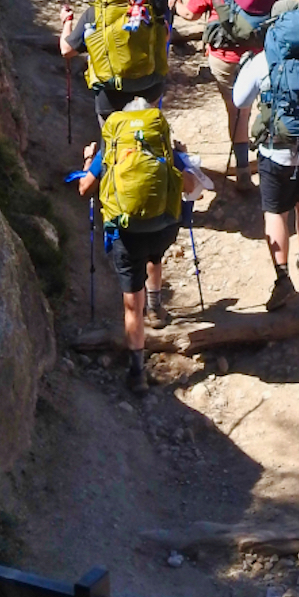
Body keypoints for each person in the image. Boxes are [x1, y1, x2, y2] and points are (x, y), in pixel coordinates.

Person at [76, 100, 201, 393]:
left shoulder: (113, 147)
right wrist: (180, 158)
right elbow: (192, 186)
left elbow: (84, 189)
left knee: (132, 302)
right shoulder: (162, 144)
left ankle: (137, 372)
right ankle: (156, 309)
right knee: (154, 256)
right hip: (163, 228)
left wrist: (88, 161)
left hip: (127, 232)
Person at [233, 7, 299, 311]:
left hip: (275, 149)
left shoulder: (264, 60)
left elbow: (239, 100)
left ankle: (283, 280)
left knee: (276, 214)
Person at [171, 0, 286, 192]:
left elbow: (190, 14)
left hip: (224, 56)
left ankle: (243, 171)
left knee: (237, 113)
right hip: (263, 54)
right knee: (270, 106)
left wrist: (175, 3)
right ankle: (276, 167)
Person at [59, 0, 167, 125]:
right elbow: (165, 36)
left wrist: (67, 21)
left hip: (111, 95)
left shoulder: (95, 13)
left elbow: (66, 50)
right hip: (150, 87)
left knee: (112, 141)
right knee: (146, 130)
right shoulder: (146, 8)